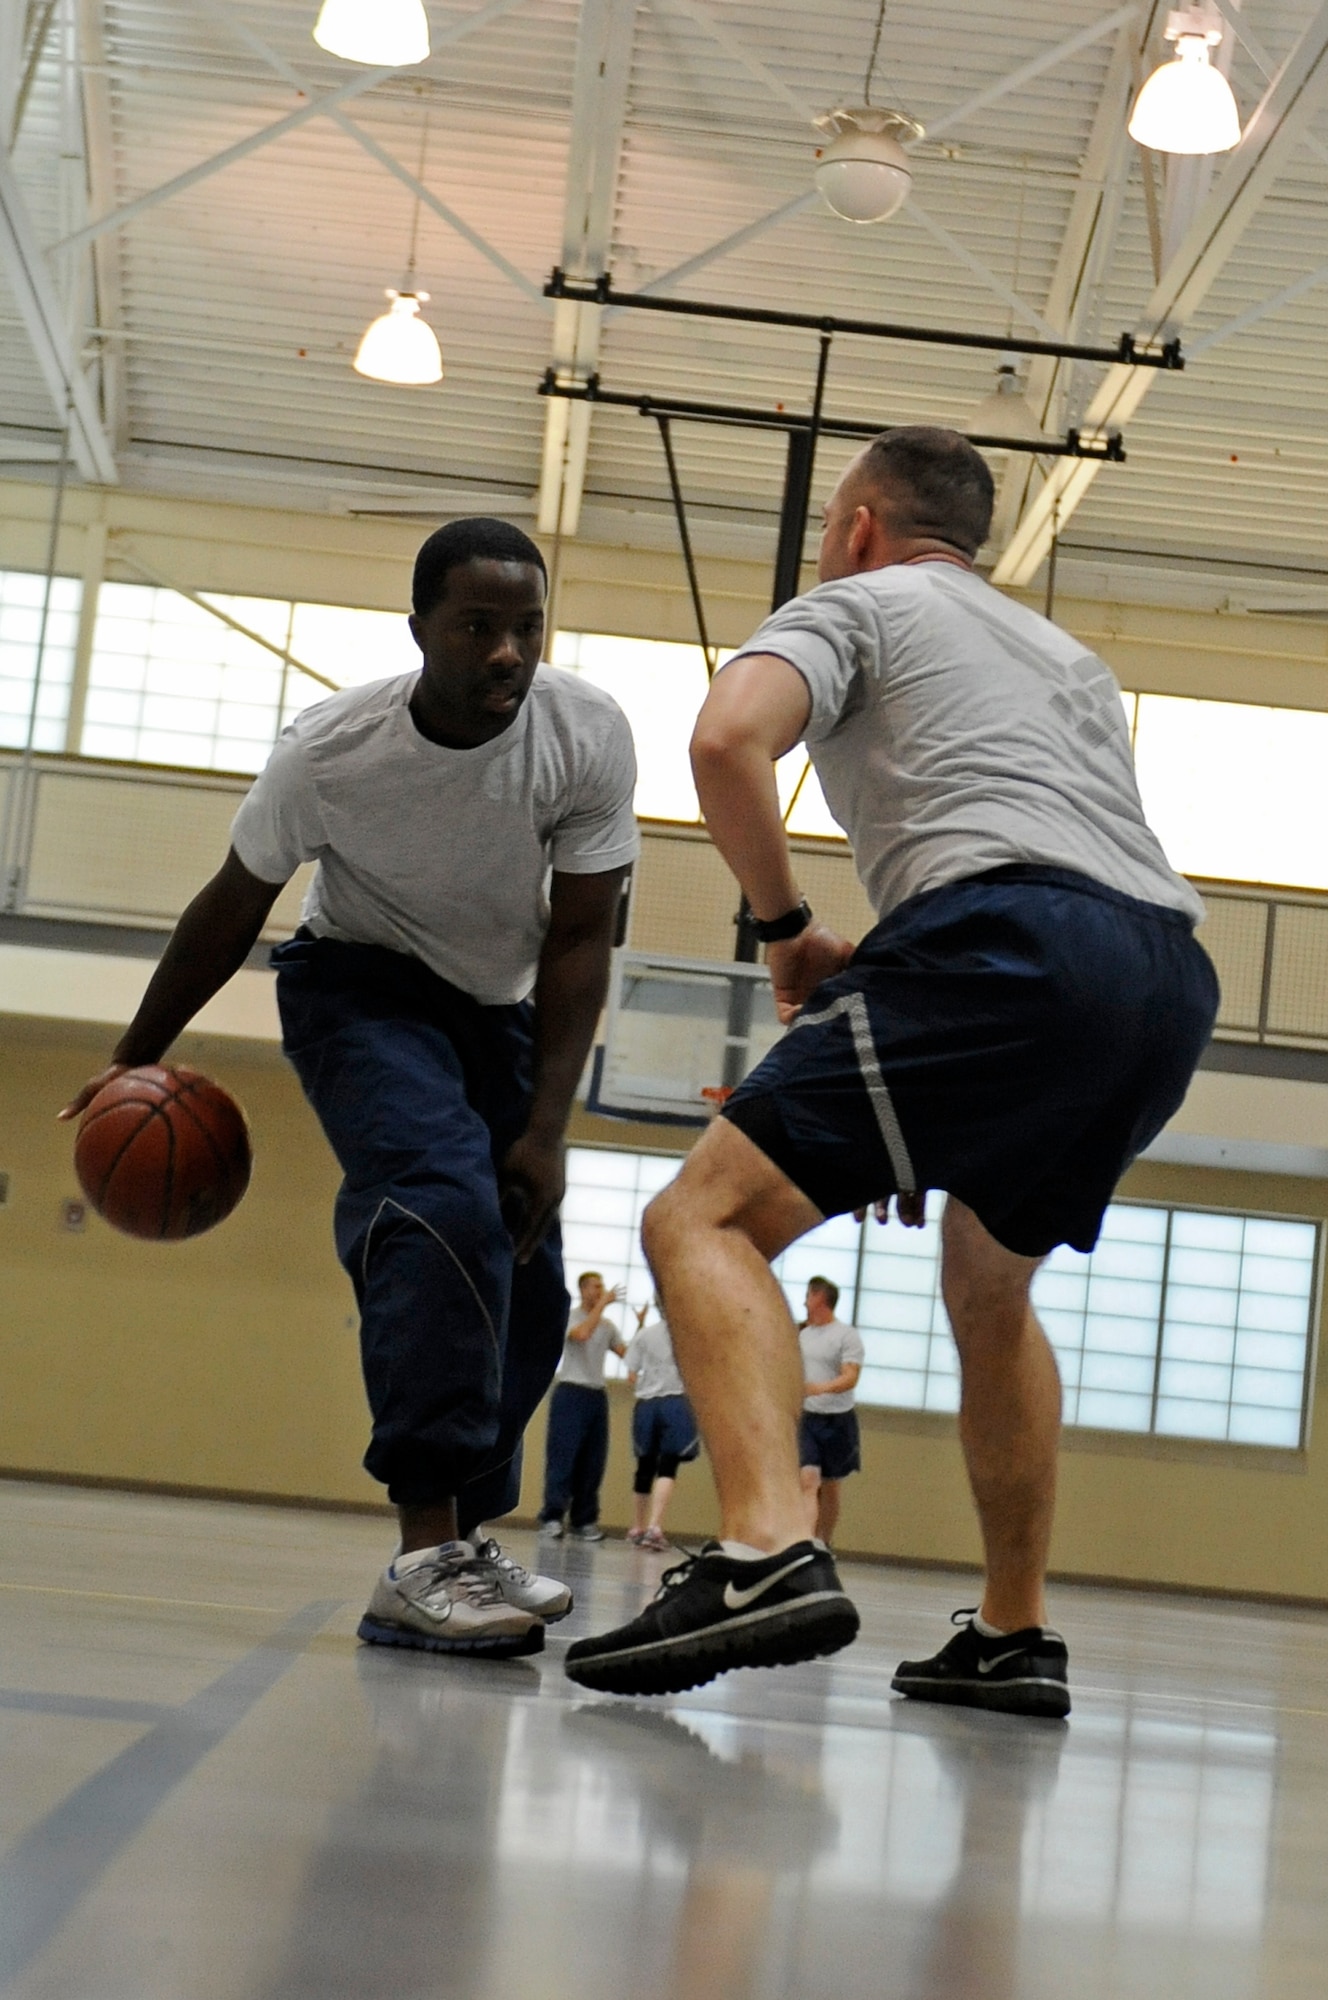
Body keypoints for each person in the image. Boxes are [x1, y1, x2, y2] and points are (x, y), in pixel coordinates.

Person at [565, 427, 1219, 1710]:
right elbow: (1053, 845)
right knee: (989, 1282)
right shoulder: (1064, 656)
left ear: (860, 522)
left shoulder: (855, 600)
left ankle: (761, 1545)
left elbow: (721, 742)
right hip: (1158, 976)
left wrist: (782, 928)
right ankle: (1012, 1630)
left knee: (693, 1216)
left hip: (1003, 942)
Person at [61, 517, 639, 1660]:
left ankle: (462, 1547)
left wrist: (546, 1128)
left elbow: (579, 942)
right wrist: (137, 1049)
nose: (508, 653)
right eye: (478, 626)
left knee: (519, 1275)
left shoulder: (586, 734)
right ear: (419, 626)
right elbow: (232, 902)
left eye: (527, 627)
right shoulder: (330, 748)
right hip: (358, 987)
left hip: (497, 1010)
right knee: (435, 1201)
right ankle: (420, 1551)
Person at [538, 1272, 627, 1541]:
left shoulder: (608, 1326)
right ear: (582, 1289)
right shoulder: (572, 1316)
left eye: (602, 1286)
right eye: (595, 1287)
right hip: (570, 1392)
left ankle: (584, 1520)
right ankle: (552, 1517)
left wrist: (644, 1327)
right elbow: (582, 1334)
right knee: (563, 1457)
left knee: (593, 1461)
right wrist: (603, 1304)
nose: (601, 1290)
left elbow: (628, 1356)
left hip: (596, 1395)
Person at [624, 1299, 699, 1550]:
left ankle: (637, 1526)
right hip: (676, 1402)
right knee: (668, 1465)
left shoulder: (645, 1335)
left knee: (644, 1464)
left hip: (647, 1404)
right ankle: (655, 1527)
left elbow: (631, 1373)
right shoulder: (688, 1333)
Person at [797, 1277, 864, 1546]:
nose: (804, 1302)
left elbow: (850, 1377)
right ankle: (806, 1543)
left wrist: (820, 1388)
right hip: (807, 1418)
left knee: (831, 1485)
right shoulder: (803, 1335)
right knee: (808, 1480)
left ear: (820, 1299)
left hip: (838, 1419)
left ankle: (825, 1540)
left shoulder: (847, 1336)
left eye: (808, 1296)